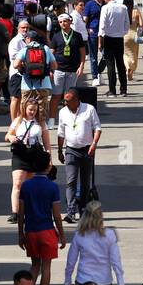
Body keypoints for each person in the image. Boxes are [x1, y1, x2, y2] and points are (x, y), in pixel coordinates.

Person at [17, 148, 66, 285]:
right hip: (46, 230)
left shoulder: (26, 186)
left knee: (35, 265)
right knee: (46, 267)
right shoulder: (52, 187)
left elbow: (21, 213)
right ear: (46, 167)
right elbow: (57, 215)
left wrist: (20, 233)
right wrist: (62, 234)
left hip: (30, 230)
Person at [62, 201, 123, 285]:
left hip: (83, 280)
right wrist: (120, 282)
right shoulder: (109, 234)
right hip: (103, 281)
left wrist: (68, 281)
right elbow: (115, 260)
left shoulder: (79, 235)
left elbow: (71, 260)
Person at [56, 89, 102, 222]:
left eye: (68, 101)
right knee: (71, 181)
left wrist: (94, 144)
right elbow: (61, 133)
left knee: (85, 182)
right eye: (64, 100)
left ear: (76, 100)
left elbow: (97, 128)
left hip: (87, 150)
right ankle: (70, 211)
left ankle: (82, 210)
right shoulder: (63, 112)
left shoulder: (89, 109)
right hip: (71, 150)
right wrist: (60, 150)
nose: (65, 103)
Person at [5, 98, 50, 223]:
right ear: (24, 108)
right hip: (20, 154)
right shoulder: (17, 121)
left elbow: (46, 141)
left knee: (32, 185)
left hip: (35, 155)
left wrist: (49, 157)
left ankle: (31, 211)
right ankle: (15, 213)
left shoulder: (40, 123)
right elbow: (7, 135)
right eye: (30, 109)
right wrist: (11, 137)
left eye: (34, 110)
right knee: (17, 183)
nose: (32, 112)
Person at [97, 0, 130, 97]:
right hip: (119, 38)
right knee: (120, 63)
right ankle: (123, 89)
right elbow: (127, 24)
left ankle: (112, 90)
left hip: (108, 38)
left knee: (110, 64)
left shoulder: (105, 8)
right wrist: (122, 32)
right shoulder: (123, 7)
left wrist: (100, 42)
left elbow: (102, 26)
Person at [50, 13, 86, 103]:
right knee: (55, 96)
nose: (63, 23)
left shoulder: (77, 36)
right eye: (60, 22)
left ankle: (67, 116)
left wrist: (81, 66)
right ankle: (52, 117)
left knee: (69, 96)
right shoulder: (56, 36)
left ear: (70, 21)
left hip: (73, 70)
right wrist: (50, 69)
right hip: (58, 70)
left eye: (65, 21)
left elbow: (82, 52)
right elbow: (51, 53)